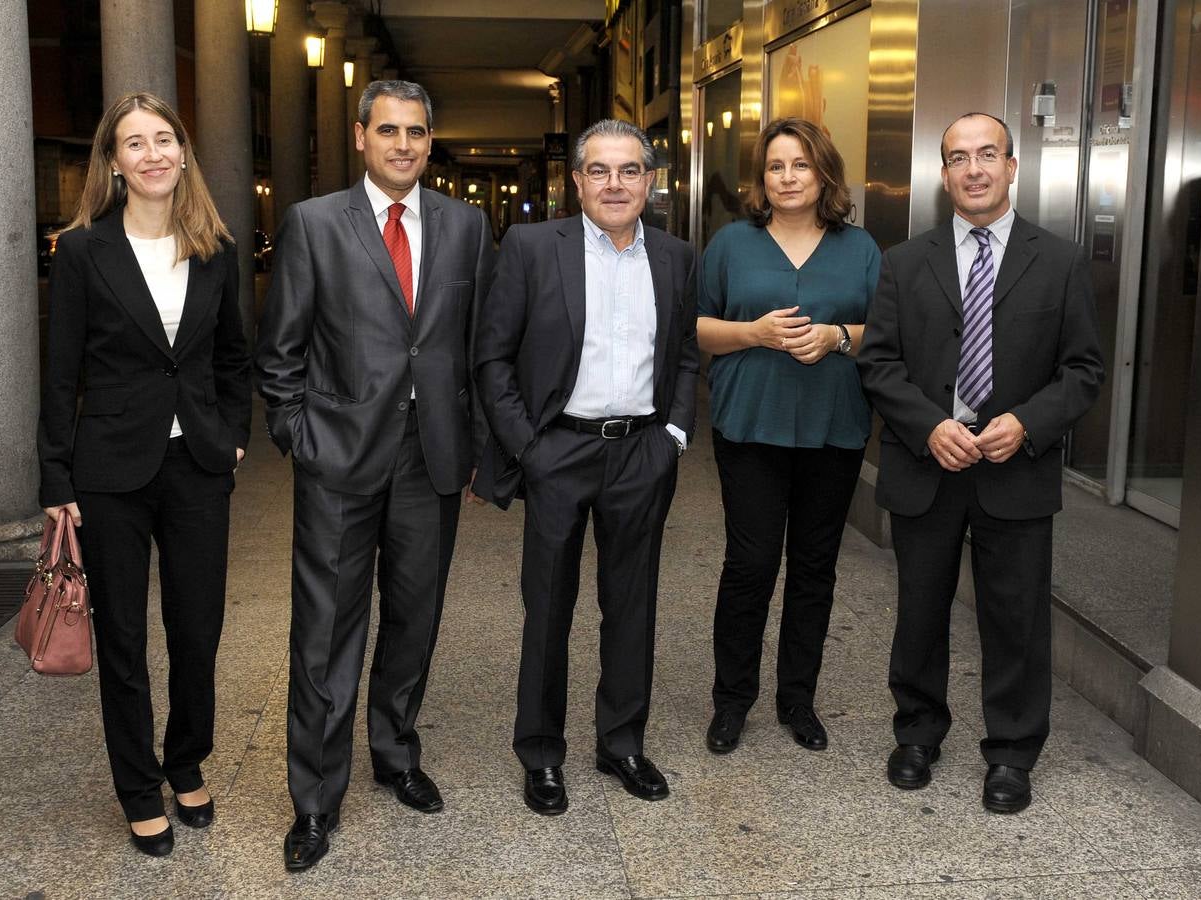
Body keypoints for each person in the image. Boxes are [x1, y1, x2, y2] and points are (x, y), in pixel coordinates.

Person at [255, 80, 494, 872]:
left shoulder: (466, 227)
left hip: (431, 456)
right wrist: (300, 435)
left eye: (416, 132)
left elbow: (472, 346)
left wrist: (473, 445)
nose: (402, 144)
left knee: (415, 618)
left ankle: (395, 753)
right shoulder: (314, 224)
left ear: (431, 142)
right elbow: (280, 351)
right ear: (360, 137)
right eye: (387, 130)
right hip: (339, 459)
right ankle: (316, 800)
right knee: (326, 631)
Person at [857, 112, 1104, 813]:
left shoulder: (1058, 261)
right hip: (928, 463)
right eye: (959, 157)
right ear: (943, 175)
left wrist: (1028, 423)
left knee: (1017, 618)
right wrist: (929, 426)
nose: (974, 169)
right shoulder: (906, 262)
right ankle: (918, 733)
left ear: (1012, 165)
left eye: (987, 154)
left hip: (1015, 469)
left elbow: (1083, 370)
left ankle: (1012, 753)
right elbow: (879, 364)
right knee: (919, 610)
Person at [37, 92, 251, 857]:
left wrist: (232, 437)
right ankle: (137, 786)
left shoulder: (215, 245)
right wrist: (56, 480)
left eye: (165, 139)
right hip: (108, 472)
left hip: (196, 463)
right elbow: (61, 374)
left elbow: (234, 356)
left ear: (183, 152)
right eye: (136, 143)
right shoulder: (84, 251)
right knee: (123, 637)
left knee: (198, 629)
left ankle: (184, 759)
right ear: (115, 162)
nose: (154, 153)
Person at [473, 119, 699, 816]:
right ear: (576, 182)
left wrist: (674, 436)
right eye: (599, 171)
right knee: (548, 610)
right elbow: (491, 358)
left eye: (629, 171)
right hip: (559, 451)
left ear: (651, 182)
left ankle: (622, 743)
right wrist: (530, 450)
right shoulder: (534, 247)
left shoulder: (676, 256)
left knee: (632, 606)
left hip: (641, 451)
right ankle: (541, 753)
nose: (615, 184)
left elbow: (687, 354)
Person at [696, 118, 880, 756]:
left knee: (813, 566)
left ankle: (797, 698)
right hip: (749, 423)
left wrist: (836, 337)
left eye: (800, 164)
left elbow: (886, 334)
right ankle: (732, 700)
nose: (788, 177)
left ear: (824, 171)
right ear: (761, 178)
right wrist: (754, 333)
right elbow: (695, 328)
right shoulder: (730, 244)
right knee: (749, 564)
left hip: (835, 426)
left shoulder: (860, 248)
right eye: (776, 166)